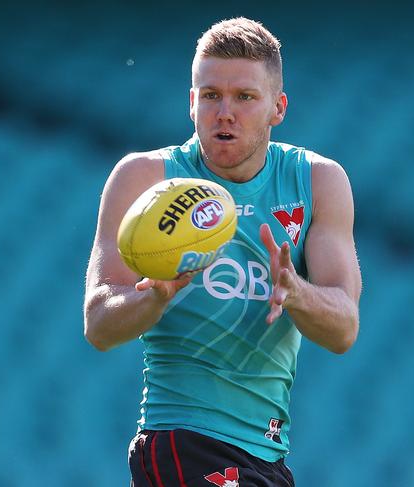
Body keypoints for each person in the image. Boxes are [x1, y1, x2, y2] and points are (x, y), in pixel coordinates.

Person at [84, 17, 362, 487]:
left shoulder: (317, 181)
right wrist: (153, 297)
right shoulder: (146, 178)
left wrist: (296, 292)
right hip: (181, 441)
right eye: (210, 95)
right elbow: (99, 324)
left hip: (267, 454)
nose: (224, 112)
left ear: (278, 107)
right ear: (192, 103)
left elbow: (344, 329)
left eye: (245, 97)